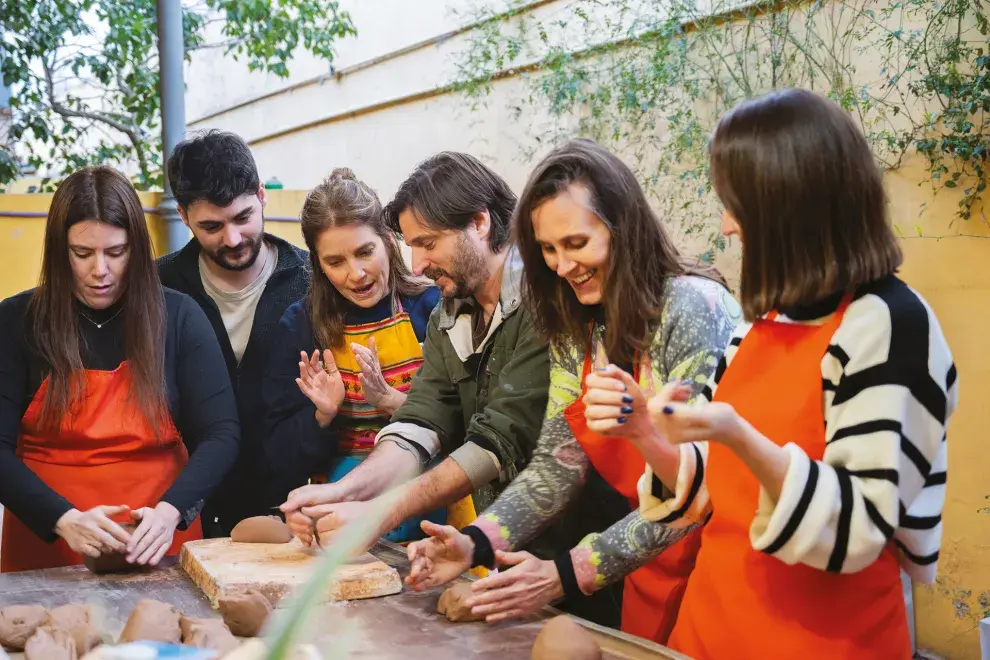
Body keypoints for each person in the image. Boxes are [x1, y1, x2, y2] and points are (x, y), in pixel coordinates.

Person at [619, 89, 957, 658]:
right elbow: (708, 491)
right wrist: (644, 431)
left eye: (735, 205)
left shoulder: (891, 325)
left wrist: (734, 432)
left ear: (787, 208)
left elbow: (860, 523)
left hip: (828, 643)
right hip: (707, 634)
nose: (726, 226)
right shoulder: (759, 326)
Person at [403, 138, 741, 642]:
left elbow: (695, 490)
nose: (562, 265)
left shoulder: (692, 309)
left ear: (623, 227)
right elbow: (557, 464)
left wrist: (567, 572)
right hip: (640, 561)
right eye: (547, 249)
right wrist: (476, 542)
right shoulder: (579, 326)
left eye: (577, 244)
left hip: (718, 562)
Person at [279, 152, 552, 558]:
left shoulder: (543, 304)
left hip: (564, 540)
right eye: (411, 247)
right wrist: (339, 491)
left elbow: (497, 441)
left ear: (479, 223)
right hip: (500, 542)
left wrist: (378, 514)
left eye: (427, 244)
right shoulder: (449, 312)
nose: (419, 265)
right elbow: (420, 424)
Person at [0, 166, 240, 573]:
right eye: (82, 253)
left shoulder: (179, 316)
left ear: (137, 248)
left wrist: (170, 512)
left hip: (158, 540)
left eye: (116, 252)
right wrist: (62, 518)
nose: (100, 271)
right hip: (49, 541)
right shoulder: (16, 321)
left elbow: (222, 433)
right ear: (60, 251)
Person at [264, 168, 478, 543]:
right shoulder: (300, 326)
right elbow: (280, 459)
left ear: (388, 241)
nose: (356, 274)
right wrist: (323, 416)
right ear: (317, 263)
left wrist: (394, 402)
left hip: (435, 509)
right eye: (336, 262)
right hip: (341, 514)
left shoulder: (431, 306)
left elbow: (476, 428)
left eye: (365, 252)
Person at [158, 130, 310, 537]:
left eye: (243, 217)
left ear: (262, 195)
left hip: (295, 507)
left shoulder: (313, 280)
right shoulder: (157, 287)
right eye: (211, 225)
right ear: (183, 214)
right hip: (183, 510)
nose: (233, 238)